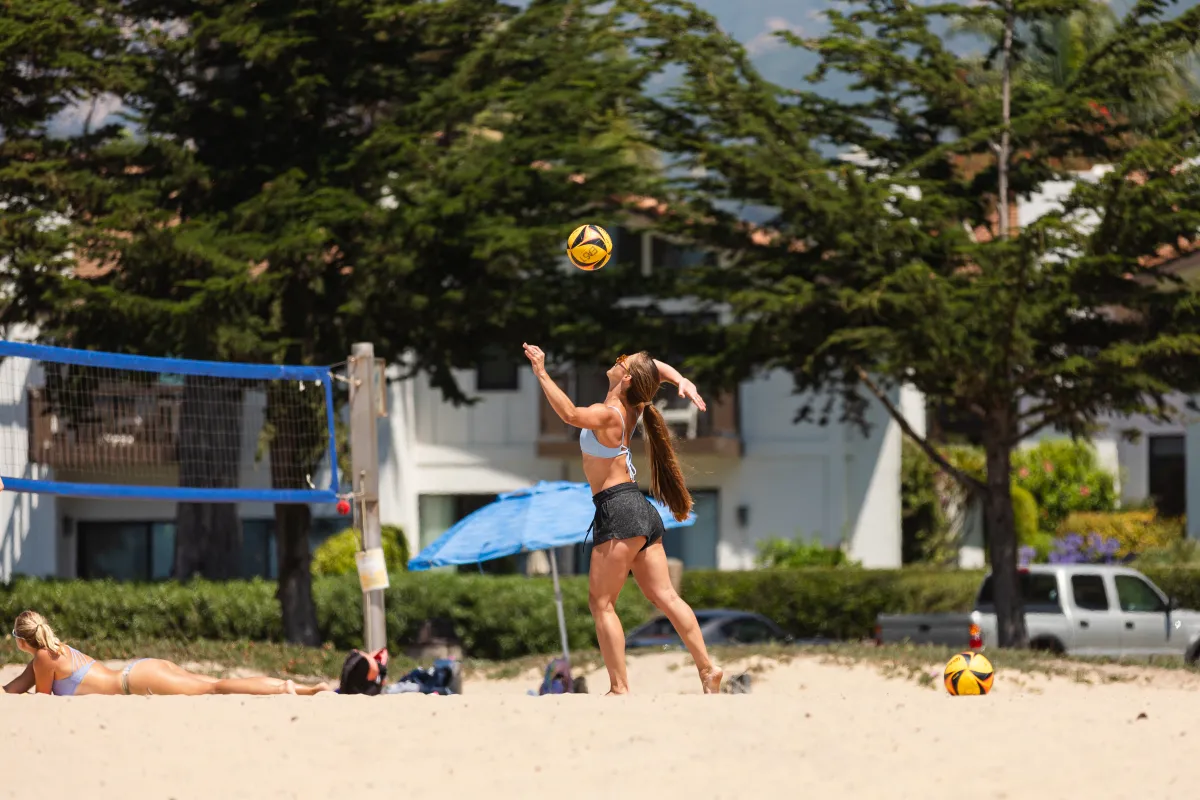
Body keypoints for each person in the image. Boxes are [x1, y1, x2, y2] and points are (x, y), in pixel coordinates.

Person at [523, 343, 723, 695]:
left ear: (627, 378)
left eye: (620, 362)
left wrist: (541, 371)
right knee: (666, 597)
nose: (615, 361)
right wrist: (681, 379)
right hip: (641, 510)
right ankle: (707, 670)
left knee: (601, 603)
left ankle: (619, 688)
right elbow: (652, 368)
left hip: (618, 509)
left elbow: (569, 413)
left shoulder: (610, 413)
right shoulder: (634, 405)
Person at [7, 610, 330, 696]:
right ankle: (300, 688)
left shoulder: (43, 659)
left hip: (137, 680)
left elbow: (41, 695)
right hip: (141, 669)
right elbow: (13, 689)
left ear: (22, 642)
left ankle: (291, 688)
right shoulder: (55, 651)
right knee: (215, 682)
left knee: (214, 688)